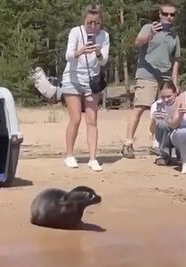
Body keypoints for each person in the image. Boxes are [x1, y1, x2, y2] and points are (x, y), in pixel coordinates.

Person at [121, 2, 181, 159]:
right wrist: (151, 34)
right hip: (146, 74)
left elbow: (175, 60)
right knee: (139, 107)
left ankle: (156, 143)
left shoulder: (174, 36)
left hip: (165, 78)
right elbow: (137, 42)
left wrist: (175, 82)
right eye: (165, 14)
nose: (169, 17)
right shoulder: (149, 27)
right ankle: (128, 143)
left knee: (160, 111)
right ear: (159, 14)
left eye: (172, 14)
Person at [59, 4, 110, 172]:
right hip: (72, 78)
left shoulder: (104, 36)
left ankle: (93, 158)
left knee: (92, 119)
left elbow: (103, 62)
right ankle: (69, 155)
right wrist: (80, 52)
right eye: (90, 23)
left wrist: (97, 52)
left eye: (97, 23)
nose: (93, 26)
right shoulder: (76, 32)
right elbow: (68, 55)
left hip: (92, 80)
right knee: (75, 118)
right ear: (84, 21)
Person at [149, 81, 180, 166]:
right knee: (163, 124)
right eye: (163, 97)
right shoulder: (156, 105)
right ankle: (165, 154)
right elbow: (152, 131)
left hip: (179, 133)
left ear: (175, 93)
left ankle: (181, 154)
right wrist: (154, 121)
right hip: (163, 135)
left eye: (169, 96)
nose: (166, 99)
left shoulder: (181, 102)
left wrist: (169, 119)